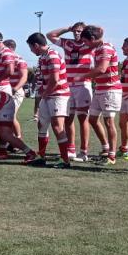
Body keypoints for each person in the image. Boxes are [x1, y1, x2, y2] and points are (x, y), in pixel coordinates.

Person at [47, 21, 92, 161]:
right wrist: (68, 28)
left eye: (79, 31)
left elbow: (100, 34)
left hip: (83, 84)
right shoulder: (67, 43)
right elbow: (50, 35)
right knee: (68, 118)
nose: (76, 33)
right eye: (75, 31)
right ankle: (71, 149)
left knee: (83, 118)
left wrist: (88, 31)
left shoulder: (89, 44)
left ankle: (83, 152)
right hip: (69, 85)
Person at [26, 32, 72, 167]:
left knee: (57, 126)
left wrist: (45, 93)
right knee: (42, 125)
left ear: (36, 45)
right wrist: (42, 91)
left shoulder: (52, 55)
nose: (31, 51)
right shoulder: (43, 57)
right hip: (48, 95)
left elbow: (55, 79)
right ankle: (41, 157)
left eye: (31, 48)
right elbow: (45, 79)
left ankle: (65, 161)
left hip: (58, 95)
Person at [82, 25, 122, 165]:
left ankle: (111, 156)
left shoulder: (106, 48)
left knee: (109, 122)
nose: (85, 44)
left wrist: (82, 77)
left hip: (110, 89)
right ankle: (106, 148)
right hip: (100, 89)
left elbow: (102, 69)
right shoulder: (98, 48)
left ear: (93, 38)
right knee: (92, 119)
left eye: (86, 41)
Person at [1, 39, 29, 156]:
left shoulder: (19, 59)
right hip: (7, 91)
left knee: (11, 117)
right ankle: (12, 143)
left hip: (15, 92)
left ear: (10, 47)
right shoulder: (6, 59)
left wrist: (15, 89)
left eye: (4, 47)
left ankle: (18, 141)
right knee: (6, 118)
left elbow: (24, 77)